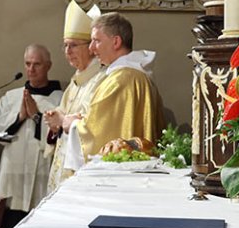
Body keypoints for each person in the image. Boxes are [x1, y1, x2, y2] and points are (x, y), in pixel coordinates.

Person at [66, 12, 166, 163]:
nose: (91, 48)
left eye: (96, 41)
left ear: (116, 42)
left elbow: (96, 132)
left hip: (120, 170)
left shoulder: (120, 80)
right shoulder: (138, 74)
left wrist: (73, 125)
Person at [0, 44, 62, 228]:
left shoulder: (60, 98)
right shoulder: (11, 96)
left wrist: (36, 117)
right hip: (13, 173)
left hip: (42, 172)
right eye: (28, 64)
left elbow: (61, 134)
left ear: (48, 66)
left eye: (37, 64)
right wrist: (19, 118)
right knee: (11, 226)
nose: (31, 69)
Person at [45, 1, 106, 192]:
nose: (67, 51)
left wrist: (63, 120)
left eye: (73, 45)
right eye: (65, 45)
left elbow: (94, 125)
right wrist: (54, 123)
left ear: (90, 47)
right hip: (63, 160)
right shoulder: (75, 81)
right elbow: (64, 115)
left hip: (82, 167)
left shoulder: (101, 80)